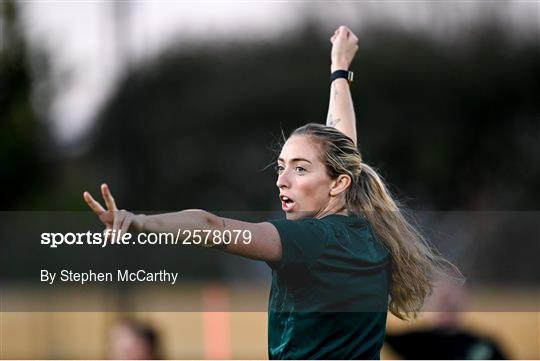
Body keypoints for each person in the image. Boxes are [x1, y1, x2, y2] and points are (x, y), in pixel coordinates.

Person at [84, 25, 456, 359]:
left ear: (339, 184)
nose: (282, 179)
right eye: (281, 167)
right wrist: (339, 70)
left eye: (299, 168)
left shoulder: (309, 240)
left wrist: (139, 222)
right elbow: (342, 144)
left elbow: (212, 226)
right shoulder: (366, 229)